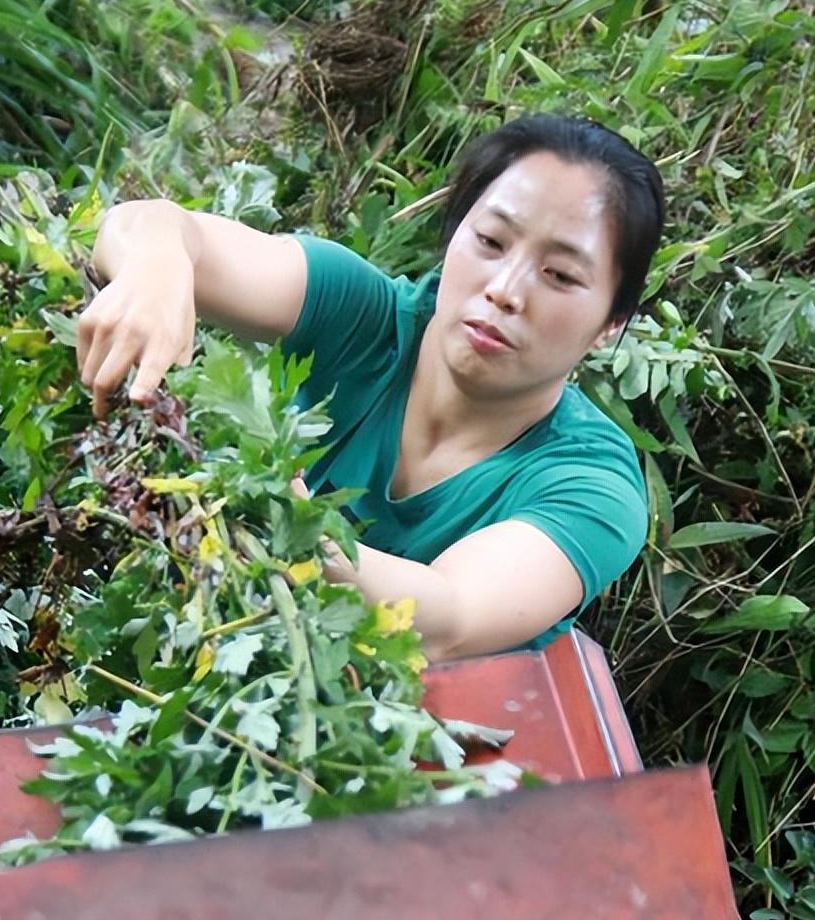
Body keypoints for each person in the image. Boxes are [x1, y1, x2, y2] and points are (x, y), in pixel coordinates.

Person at [76, 114, 665, 662]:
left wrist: (275, 513)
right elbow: (146, 224)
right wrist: (156, 266)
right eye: (490, 242)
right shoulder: (365, 320)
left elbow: (447, 618)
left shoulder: (592, 488)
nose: (505, 289)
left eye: (560, 275)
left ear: (610, 324)